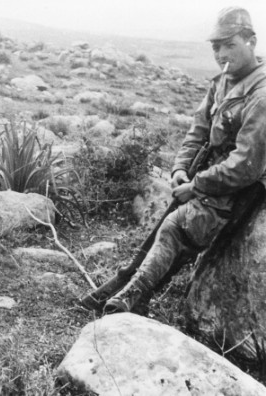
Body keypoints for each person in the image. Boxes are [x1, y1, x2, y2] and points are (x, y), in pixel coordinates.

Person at [104, 6, 266, 314]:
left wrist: (197, 186)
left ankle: (133, 297)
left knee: (176, 228)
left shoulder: (261, 94)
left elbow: (246, 165)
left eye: (230, 44)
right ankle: (127, 282)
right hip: (209, 176)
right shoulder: (222, 83)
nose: (221, 54)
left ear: (251, 42)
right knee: (169, 221)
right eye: (216, 47)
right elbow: (197, 130)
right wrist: (180, 168)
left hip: (238, 187)